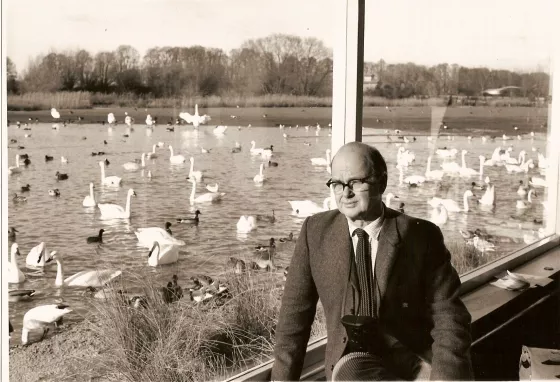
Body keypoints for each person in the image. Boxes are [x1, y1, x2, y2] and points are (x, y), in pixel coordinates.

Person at [271, 142, 473, 381]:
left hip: (413, 368)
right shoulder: (314, 232)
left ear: (382, 182)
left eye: (355, 182)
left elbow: (450, 317)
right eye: (337, 184)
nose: (345, 193)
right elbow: (292, 326)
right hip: (349, 370)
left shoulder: (421, 236)